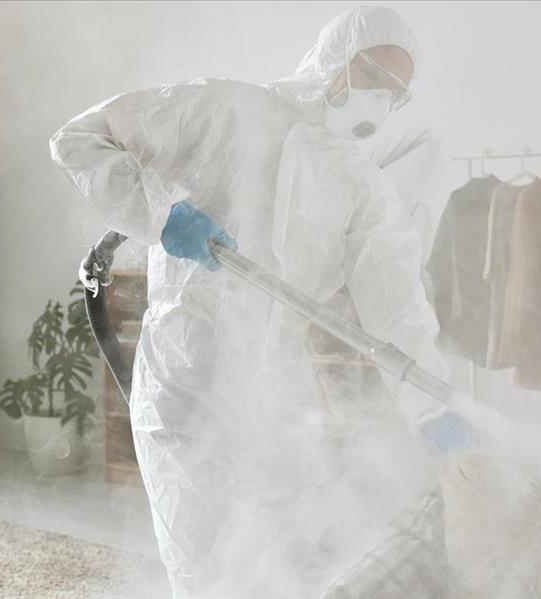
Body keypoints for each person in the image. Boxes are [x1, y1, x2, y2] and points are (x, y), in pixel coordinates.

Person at [50, 6, 473, 598]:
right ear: (337, 57)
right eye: (374, 76)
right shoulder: (224, 108)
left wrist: (432, 405)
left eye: (396, 94)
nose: (378, 100)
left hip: (276, 390)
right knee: (201, 564)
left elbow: (397, 307)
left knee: (284, 562)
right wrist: (162, 214)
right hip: (188, 382)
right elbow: (79, 140)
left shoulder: (360, 186)